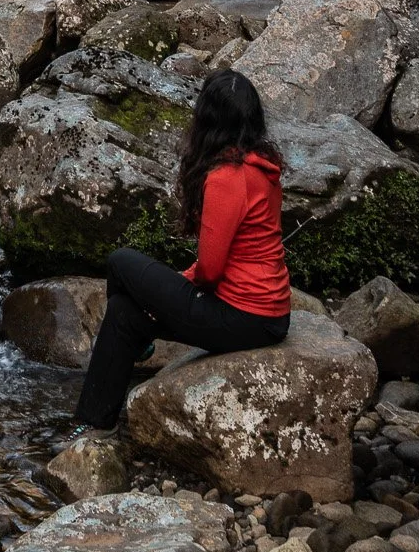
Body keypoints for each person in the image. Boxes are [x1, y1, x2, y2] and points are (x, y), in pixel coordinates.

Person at [69, 69, 292, 439]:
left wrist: (176, 289)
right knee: (125, 313)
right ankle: (96, 422)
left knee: (121, 261)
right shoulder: (263, 167)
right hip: (269, 315)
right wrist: (172, 289)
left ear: (207, 119)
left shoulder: (227, 177)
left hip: (241, 317)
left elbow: (210, 272)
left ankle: (129, 361)